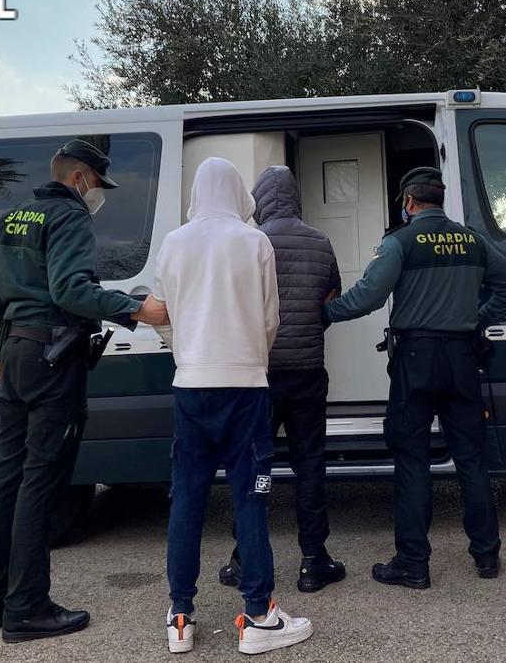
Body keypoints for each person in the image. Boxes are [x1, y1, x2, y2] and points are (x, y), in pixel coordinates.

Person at [0, 139, 168, 643]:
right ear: (81, 178)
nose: (98, 195)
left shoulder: (13, 215)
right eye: (98, 185)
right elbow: (71, 291)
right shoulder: (69, 217)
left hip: (17, 354)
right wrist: (134, 308)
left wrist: (0, 351)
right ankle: (28, 609)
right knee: (42, 481)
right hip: (53, 357)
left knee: (7, 477)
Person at [323, 166, 506, 589]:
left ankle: (413, 563)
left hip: (416, 359)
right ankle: (487, 557)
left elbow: (369, 296)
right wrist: (475, 320)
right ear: (439, 199)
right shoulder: (472, 240)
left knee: (412, 458)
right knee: (471, 456)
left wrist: (324, 313)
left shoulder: (400, 242)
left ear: (409, 202)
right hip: (463, 357)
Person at [154, 158, 313, 655]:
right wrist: (249, 357)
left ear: (199, 191)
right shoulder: (254, 241)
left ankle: (180, 615)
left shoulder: (174, 243)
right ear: (238, 192)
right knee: (251, 497)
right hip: (245, 386)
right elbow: (271, 318)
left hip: (190, 385)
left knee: (187, 500)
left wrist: (186, 352)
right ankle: (260, 615)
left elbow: (163, 315)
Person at [217, 166, 345, 594]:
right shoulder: (320, 242)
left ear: (259, 200)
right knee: (310, 464)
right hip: (308, 371)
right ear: (294, 198)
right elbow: (329, 300)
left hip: (258, 375)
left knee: (254, 466)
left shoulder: (248, 242)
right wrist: (307, 330)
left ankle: (241, 559)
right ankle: (314, 562)